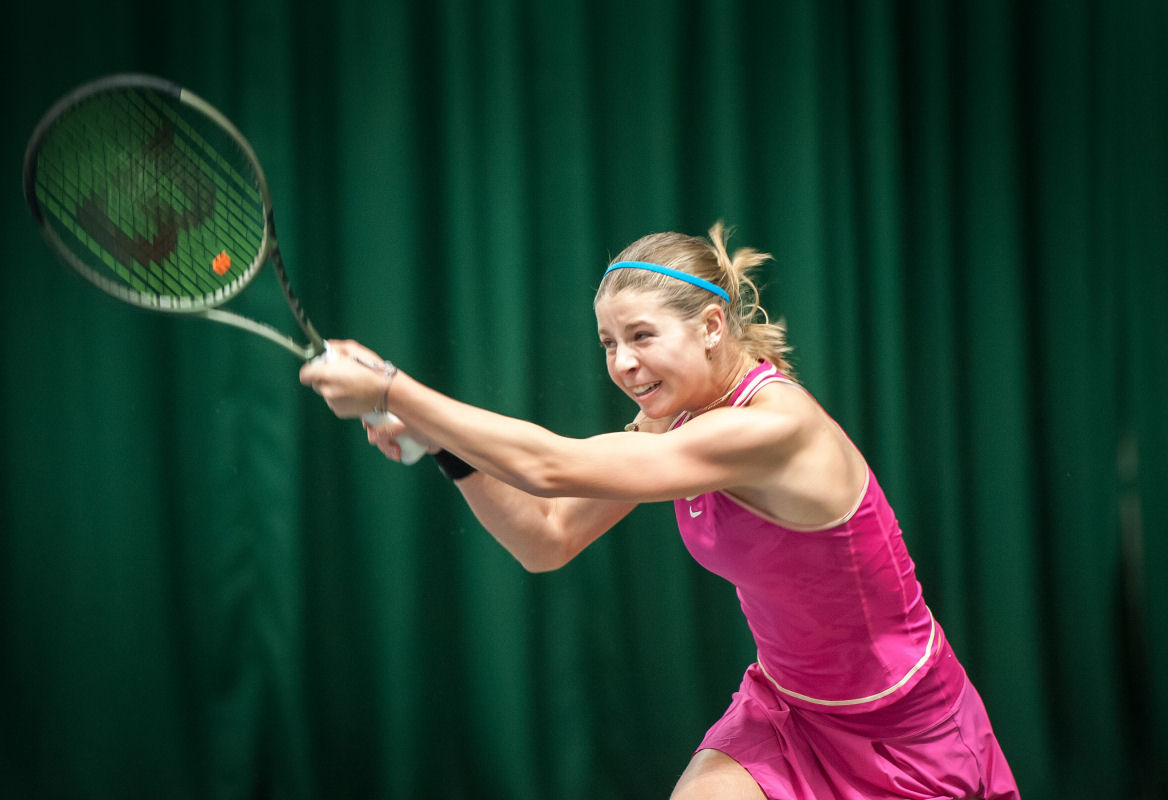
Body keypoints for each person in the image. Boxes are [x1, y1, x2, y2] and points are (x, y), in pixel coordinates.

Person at [299, 223, 1020, 800]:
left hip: (906, 733)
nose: (622, 364)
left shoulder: (772, 429)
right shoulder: (671, 424)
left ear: (711, 324)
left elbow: (551, 467)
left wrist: (395, 391)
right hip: (790, 709)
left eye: (642, 336)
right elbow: (546, 539)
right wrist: (446, 450)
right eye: (609, 343)